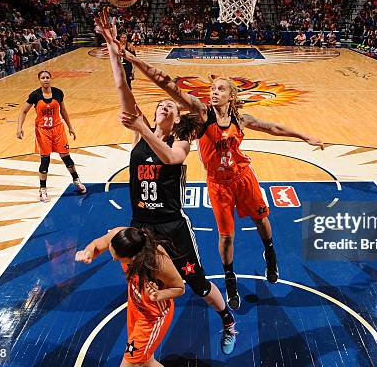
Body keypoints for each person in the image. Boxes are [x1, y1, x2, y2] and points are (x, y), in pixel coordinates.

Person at [113, 20, 324, 310]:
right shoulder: (200, 114)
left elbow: (273, 127)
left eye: (220, 89)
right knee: (227, 237)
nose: (213, 92)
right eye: (212, 88)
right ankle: (230, 281)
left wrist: (305, 136)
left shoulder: (242, 119)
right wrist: (135, 59)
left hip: (243, 176)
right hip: (218, 184)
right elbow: (167, 82)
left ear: (231, 95)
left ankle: (270, 253)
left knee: (262, 220)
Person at [94, 10, 238, 354]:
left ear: (177, 118)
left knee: (196, 282)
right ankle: (147, 332)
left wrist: (142, 128)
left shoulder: (181, 138)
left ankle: (228, 320)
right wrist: (113, 47)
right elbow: (121, 86)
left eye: (170, 107)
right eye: (160, 105)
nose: (164, 108)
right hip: (141, 224)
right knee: (139, 278)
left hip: (172, 226)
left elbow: (173, 160)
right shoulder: (139, 134)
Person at [75, 226, 184, 367]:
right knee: (145, 361)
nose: (113, 259)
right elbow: (97, 244)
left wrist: (158, 295)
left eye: (118, 259)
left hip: (152, 317)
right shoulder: (120, 236)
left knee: (131, 363)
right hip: (136, 306)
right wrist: (88, 252)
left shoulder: (157, 262)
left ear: (134, 258)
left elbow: (180, 288)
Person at [16, 71, 86, 202]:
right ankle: (43, 189)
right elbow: (23, 111)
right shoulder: (35, 95)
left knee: (66, 157)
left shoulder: (58, 93)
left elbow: (63, 111)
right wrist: (19, 127)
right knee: (45, 160)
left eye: (47, 77)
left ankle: (76, 180)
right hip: (43, 132)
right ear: (39, 80)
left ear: (51, 79)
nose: (45, 80)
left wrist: (70, 126)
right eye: (43, 78)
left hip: (58, 129)